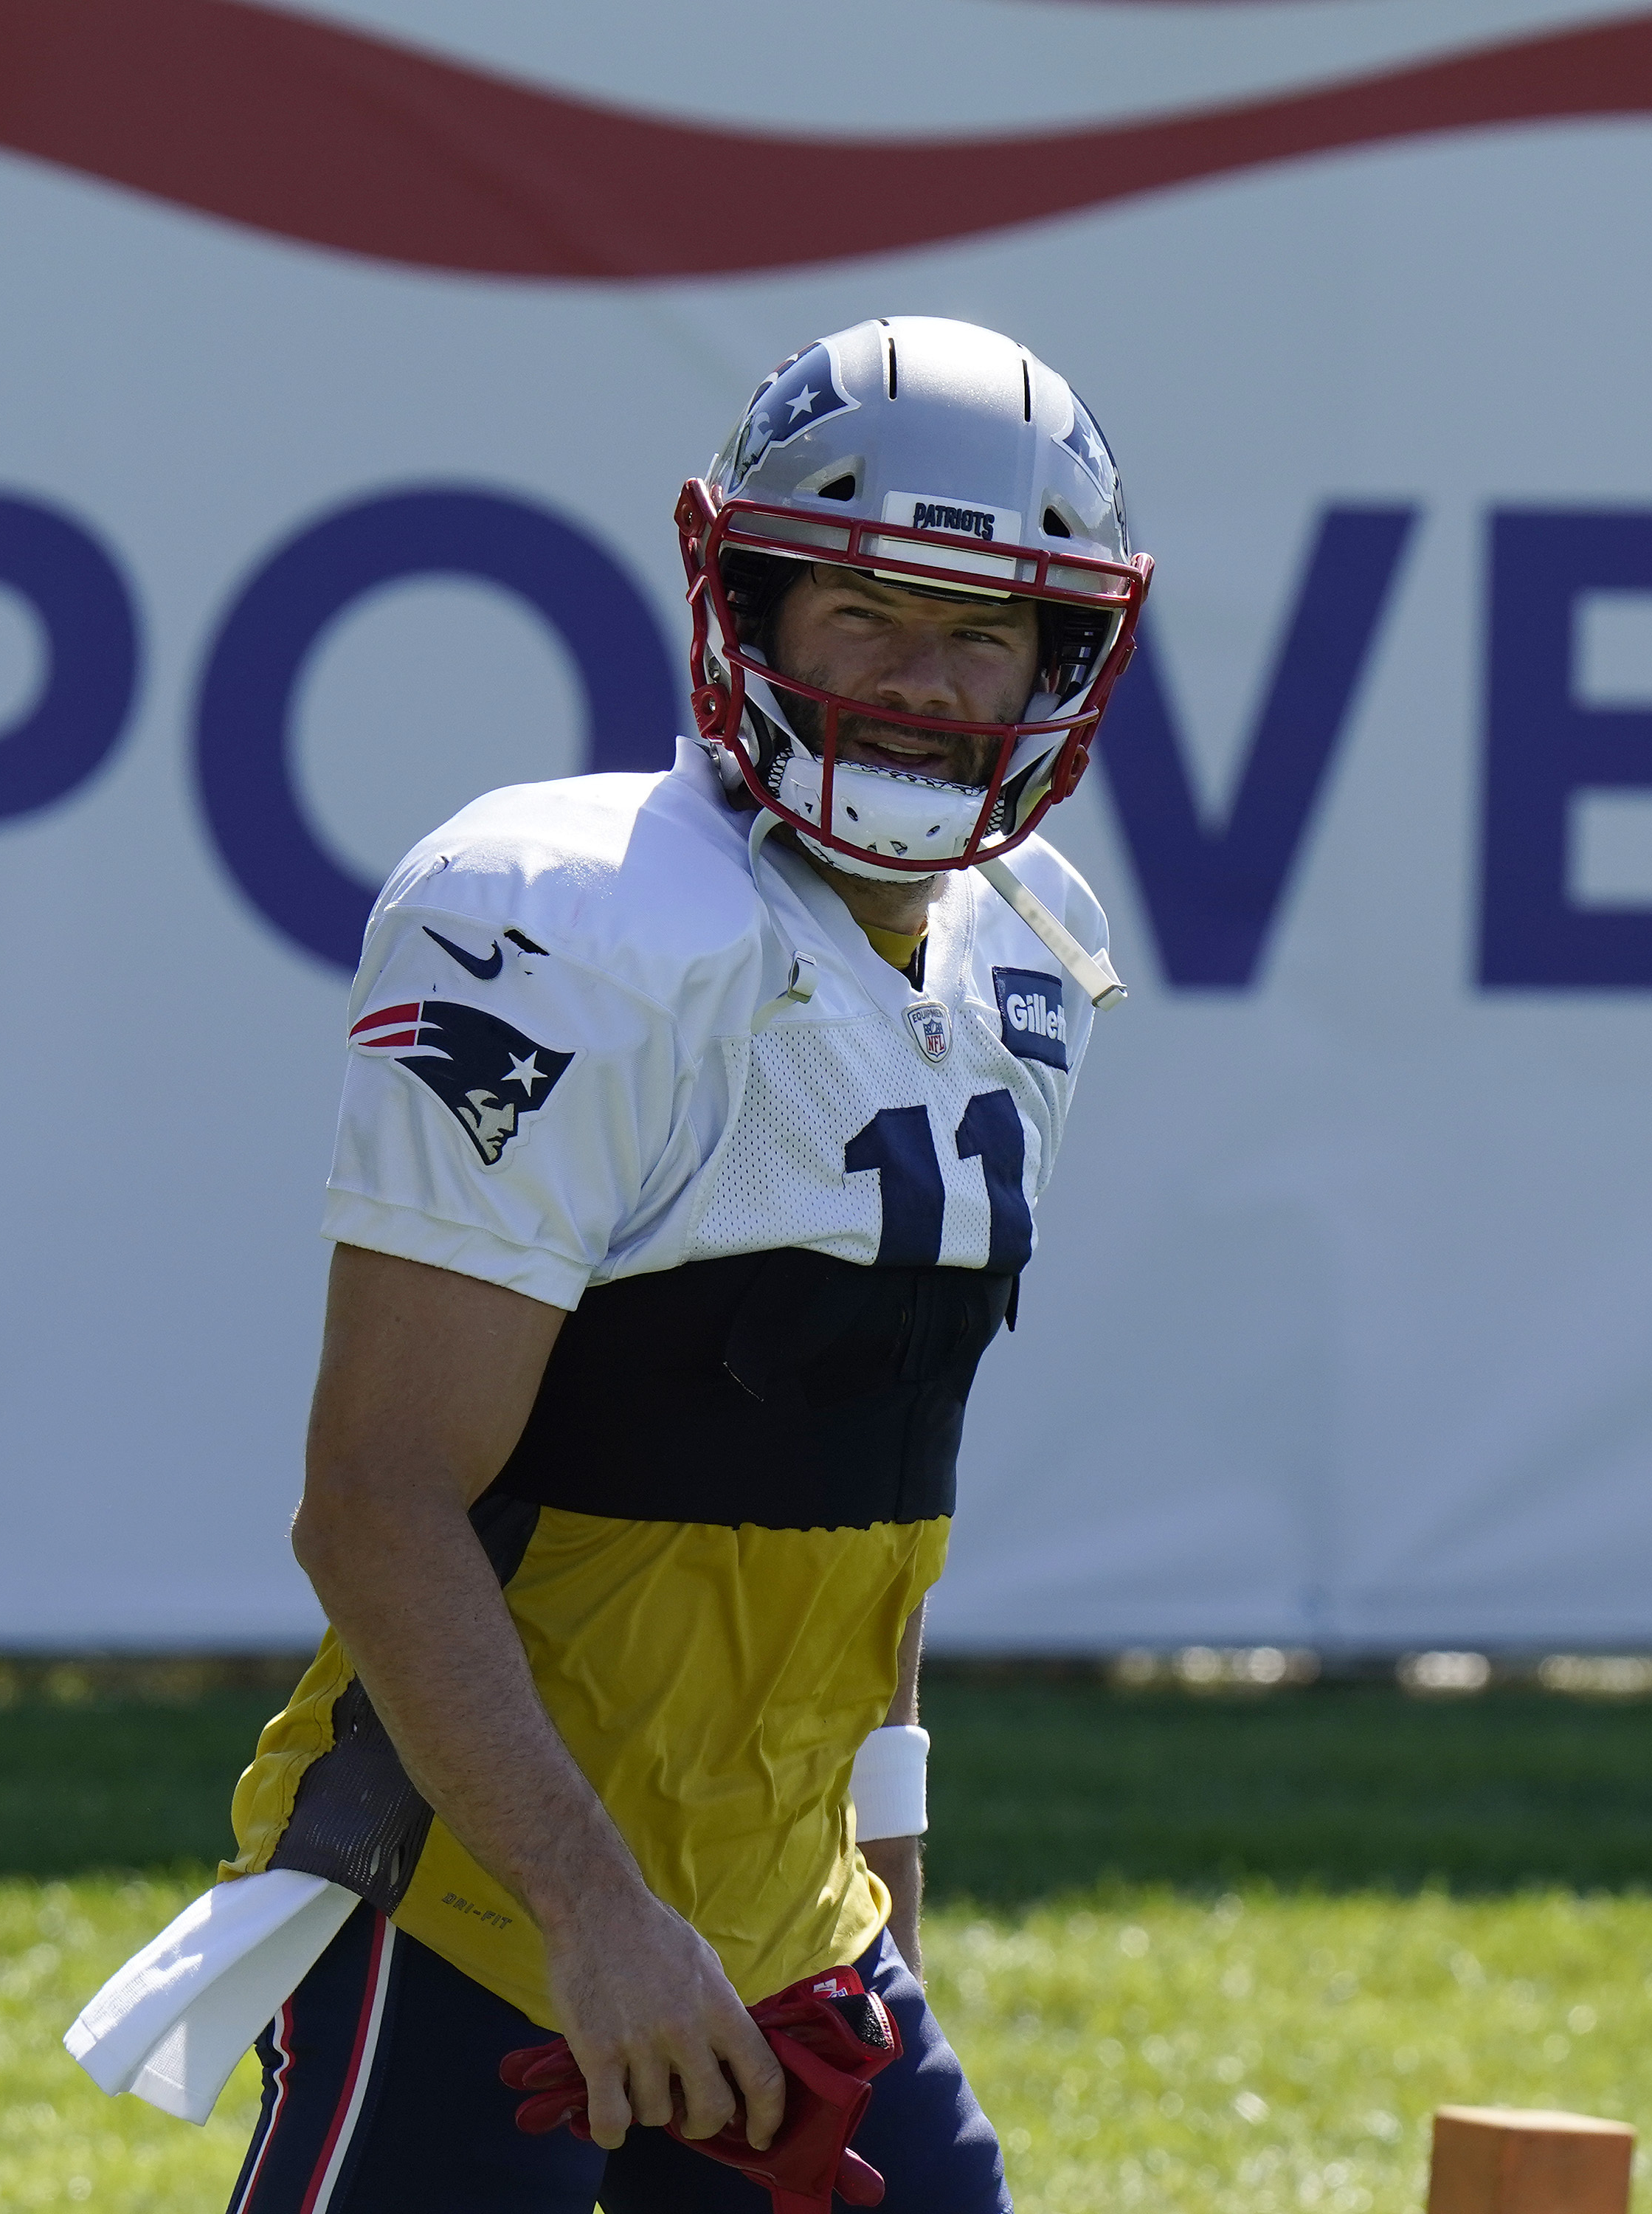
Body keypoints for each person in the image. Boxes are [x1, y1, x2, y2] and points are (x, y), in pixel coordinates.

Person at [215, 316, 1150, 2210]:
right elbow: (378, 1502)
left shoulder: (1026, 954)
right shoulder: (568, 922)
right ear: (757, 609)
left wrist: (880, 1883)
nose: (923, 684)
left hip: (787, 1926)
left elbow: (861, 1507)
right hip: (476, 1907)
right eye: (870, 613)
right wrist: (595, 1916)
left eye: (984, 632)